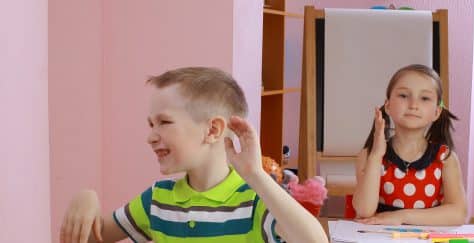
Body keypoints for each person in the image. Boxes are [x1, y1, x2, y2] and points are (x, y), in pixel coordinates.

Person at [60, 67, 328, 243]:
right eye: (150, 124)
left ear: (212, 129)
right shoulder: (157, 200)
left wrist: (256, 175)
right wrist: (87, 198)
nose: (151, 136)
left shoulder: (254, 203)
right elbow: (87, 238)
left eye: (163, 123)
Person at [353, 64, 467, 225]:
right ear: (388, 105)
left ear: (436, 112)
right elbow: (364, 211)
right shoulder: (370, 154)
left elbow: (458, 213)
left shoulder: (445, 158)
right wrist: (376, 155)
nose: (413, 104)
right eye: (403, 95)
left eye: (425, 98)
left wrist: (402, 216)